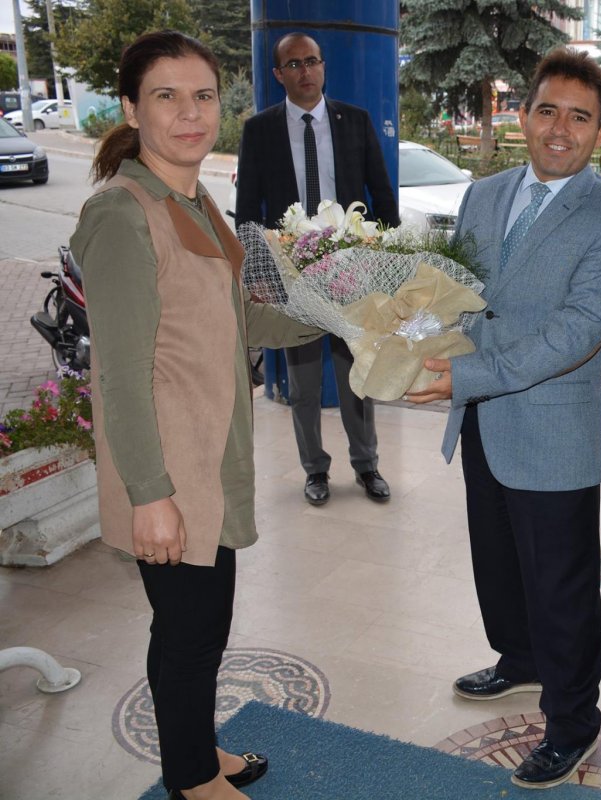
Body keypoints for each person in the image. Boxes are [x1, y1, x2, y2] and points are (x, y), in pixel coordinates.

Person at [71, 30, 324, 800]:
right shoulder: (123, 214)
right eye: (166, 96)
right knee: (187, 632)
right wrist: (150, 495)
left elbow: (242, 319)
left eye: (203, 96)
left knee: (202, 627)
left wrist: (340, 314)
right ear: (131, 109)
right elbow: (119, 375)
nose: (190, 113)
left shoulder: (194, 199)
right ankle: (191, 779)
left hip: (211, 459)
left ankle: (197, 750)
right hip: (170, 470)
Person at [405, 48, 601, 790]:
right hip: (481, 419)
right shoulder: (484, 194)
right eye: (547, 111)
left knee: (561, 588)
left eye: (579, 117)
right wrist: (405, 337)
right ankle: (519, 658)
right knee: (500, 562)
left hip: (551, 430)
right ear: (523, 114)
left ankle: (572, 721)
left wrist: (468, 377)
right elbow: (458, 292)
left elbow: (577, 333)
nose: (560, 129)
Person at [235, 32, 400, 507]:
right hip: (294, 279)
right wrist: (259, 274)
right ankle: (315, 469)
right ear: (278, 74)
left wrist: (385, 261)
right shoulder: (260, 130)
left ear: (323, 67)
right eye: (293, 64)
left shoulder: (355, 121)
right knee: (304, 384)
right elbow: (247, 209)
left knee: (357, 375)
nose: (304, 71)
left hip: (351, 274)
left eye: (311, 61)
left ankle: (367, 465)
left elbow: (381, 194)